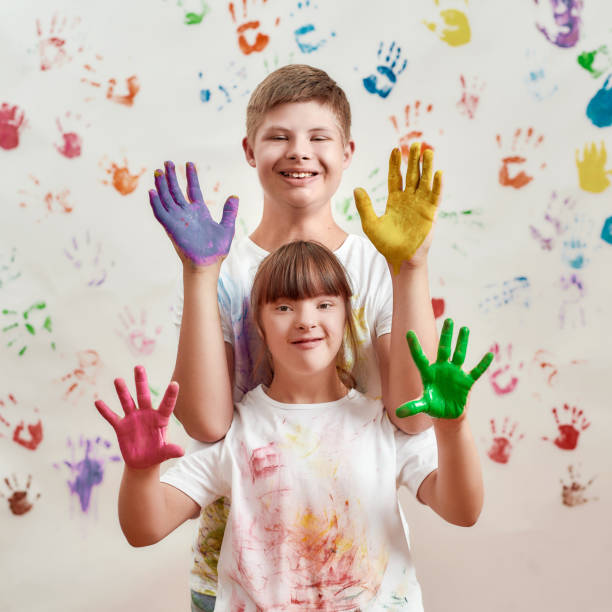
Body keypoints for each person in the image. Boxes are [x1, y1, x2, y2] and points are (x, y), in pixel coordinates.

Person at [148, 64, 442, 609]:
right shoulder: (219, 264)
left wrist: (410, 269)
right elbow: (208, 422)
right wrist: (198, 275)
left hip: (355, 563)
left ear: (348, 151)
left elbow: (414, 413)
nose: (298, 151)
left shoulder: (378, 263)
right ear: (248, 149)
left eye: (318, 137)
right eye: (278, 136)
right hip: (237, 568)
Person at [96, 240, 494, 612]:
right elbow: (144, 528)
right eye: (284, 307)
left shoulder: (378, 424)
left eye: (324, 304)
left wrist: (453, 428)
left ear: (347, 316)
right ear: (260, 324)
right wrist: (141, 471)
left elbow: (463, 510)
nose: (306, 320)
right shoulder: (238, 431)